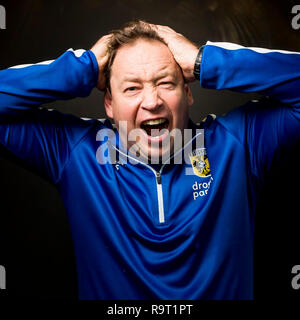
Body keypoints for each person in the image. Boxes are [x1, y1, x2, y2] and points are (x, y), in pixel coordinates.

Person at [0, 20, 299, 300]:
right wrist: (83, 68)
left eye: (166, 83)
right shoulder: (75, 153)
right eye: (131, 88)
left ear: (188, 93)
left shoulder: (239, 144)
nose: (152, 101)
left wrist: (203, 61)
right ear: (109, 103)